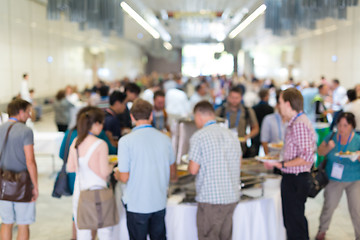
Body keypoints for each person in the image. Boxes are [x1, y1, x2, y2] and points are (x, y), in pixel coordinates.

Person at [114, 99, 176, 240]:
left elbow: (124, 177)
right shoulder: (165, 139)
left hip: (137, 203)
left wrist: (116, 173)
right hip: (159, 201)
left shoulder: (125, 141)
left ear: (131, 117)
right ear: (151, 116)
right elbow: (173, 173)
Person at [265, 88, 316, 240]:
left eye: (280, 103)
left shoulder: (299, 124)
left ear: (288, 104)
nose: (278, 106)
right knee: (295, 220)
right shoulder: (296, 122)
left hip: (295, 178)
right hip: (295, 177)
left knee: (295, 223)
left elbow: (307, 157)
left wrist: (282, 165)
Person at [188, 100, 241, 240]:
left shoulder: (199, 136)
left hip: (210, 200)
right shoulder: (231, 135)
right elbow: (239, 162)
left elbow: (193, 170)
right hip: (231, 198)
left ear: (199, 116)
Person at [67, 107, 113, 239]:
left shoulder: (76, 142)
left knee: (83, 232)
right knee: (105, 232)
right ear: (96, 124)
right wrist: (111, 166)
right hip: (98, 192)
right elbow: (104, 172)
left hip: (80, 192)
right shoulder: (100, 144)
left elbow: (70, 168)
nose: (102, 127)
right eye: (101, 123)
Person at [316, 112, 360, 240]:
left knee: (356, 210)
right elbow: (320, 152)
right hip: (334, 179)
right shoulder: (332, 136)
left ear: (352, 126)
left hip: (354, 179)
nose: (341, 129)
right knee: (329, 206)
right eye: (339, 125)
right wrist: (328, 148)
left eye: (345, 125)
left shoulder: (357, 140)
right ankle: (321, 232)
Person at [0, 99, 38, 240]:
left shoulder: (0, 128)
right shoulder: (26, 131)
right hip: (22, 184)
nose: (29, 115)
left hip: (2, 183)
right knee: (23, 224)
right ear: (20, 112)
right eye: (28, 112)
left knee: (6, 222)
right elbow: (30, 161)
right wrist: (35, 185)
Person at [215, 86, 259, 157]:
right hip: (223, 147)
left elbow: (256, 128)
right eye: (232, 97)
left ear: (241, 98)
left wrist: (247, 136)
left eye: (237, 98)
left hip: (241, 146)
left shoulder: (247, 111)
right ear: (228, 97)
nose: (234, 100)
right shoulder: (220, 111)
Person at [261, 90, 286, 155]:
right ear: (277, 105)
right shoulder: (268, 119)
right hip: (273, 155)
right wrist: (268, 156)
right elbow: (264, 140)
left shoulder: (293, 120)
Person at [252, 88, 274, 155]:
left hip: (256, 132)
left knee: (255, 152)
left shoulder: (254, 108)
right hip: (267, 133)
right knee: (267, 153)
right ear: (266, 96)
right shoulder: (270, 109)